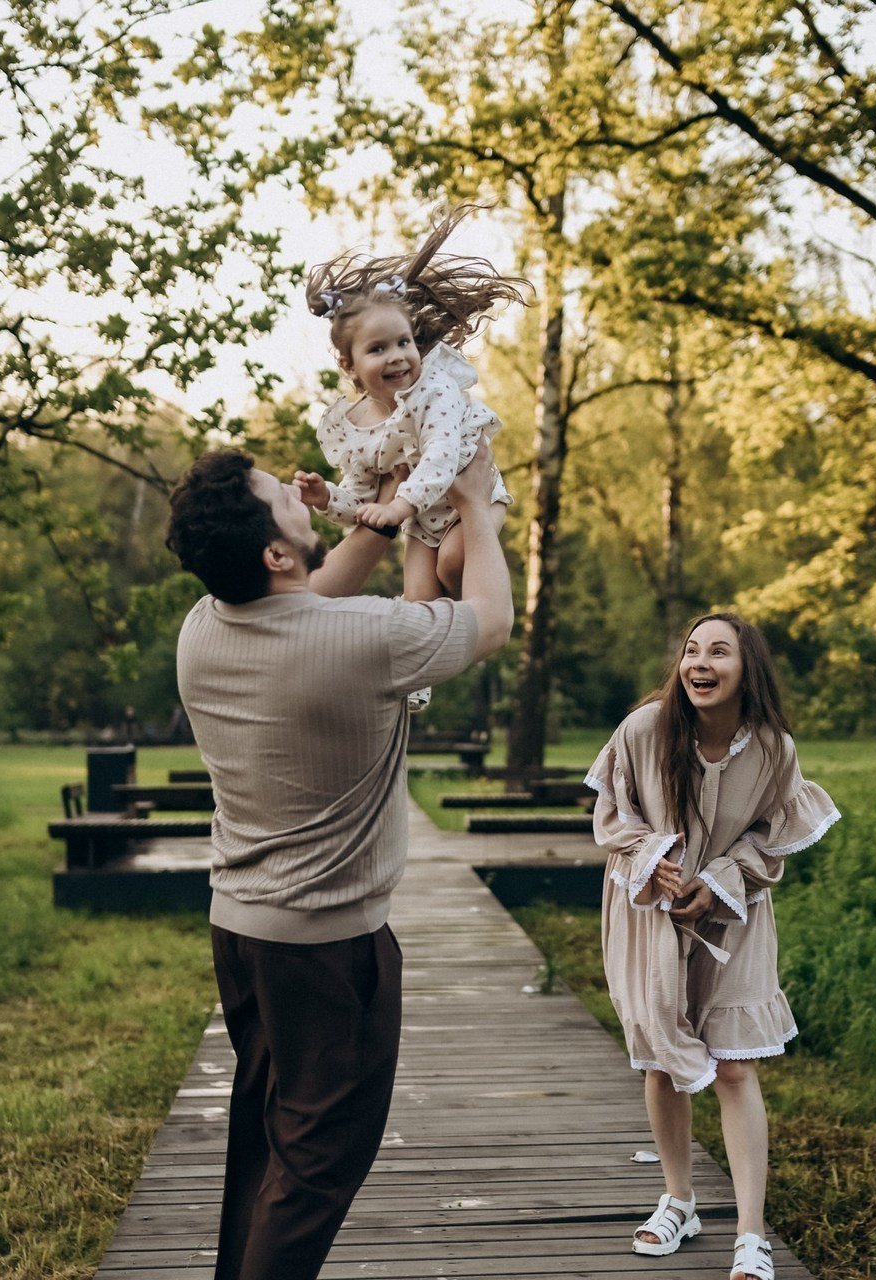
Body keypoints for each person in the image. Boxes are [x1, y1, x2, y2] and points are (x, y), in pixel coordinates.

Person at [165, 443, 513, 1280]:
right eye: (279, 497)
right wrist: (476, 508)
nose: (295, 490)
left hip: (240, 935)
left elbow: (314, 596)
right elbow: (491, 623)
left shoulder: (205, 626)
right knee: (319, 1164)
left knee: (266, 1138)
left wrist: (392, 503)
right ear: (277, 554)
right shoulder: (368, 640)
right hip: (328, 951)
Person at [585, 614, 840, 1280]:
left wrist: (722, 878)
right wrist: (653, 858)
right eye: (692, 651)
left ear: (745, 668)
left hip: (736, 917)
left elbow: (773, 835)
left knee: (733, 1066)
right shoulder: (644, 730)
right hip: (648, 912)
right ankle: (680, 1199)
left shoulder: (775, 750)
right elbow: (611, 815)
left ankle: (751, 1234)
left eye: (719, 651)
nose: (700, 662)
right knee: (663, 1063)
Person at [296, 204, 529, 619]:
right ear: (349, 366)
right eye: (378, 349)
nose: (398, 357)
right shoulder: (354, 428)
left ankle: (483, 611)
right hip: (420, 518)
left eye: (404, 342)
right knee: (418, 604)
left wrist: (397, 509)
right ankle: (415, 685)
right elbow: (363, 502)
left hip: (470, 497)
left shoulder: (434, 390)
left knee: (451, 562)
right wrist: (326, 497)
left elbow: (439, 458)